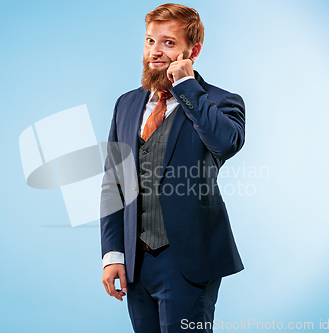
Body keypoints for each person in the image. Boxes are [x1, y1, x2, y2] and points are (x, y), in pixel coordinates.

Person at [100, 3, 246, 332]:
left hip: (188, 261)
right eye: (150, 41)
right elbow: (114, 184)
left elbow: (225, 143)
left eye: (168, 43)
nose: (155, 51)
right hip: (136, 264)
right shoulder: (126, 104)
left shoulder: (221, 101)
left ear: (191, 51)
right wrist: (112, 254)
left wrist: (186, 87)